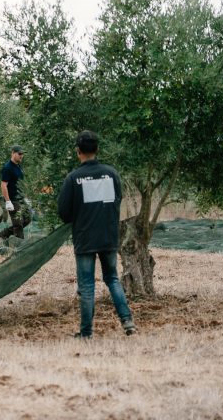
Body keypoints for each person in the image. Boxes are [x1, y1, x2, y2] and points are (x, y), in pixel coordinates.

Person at [57, 130, 136, 339]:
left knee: (87, 284)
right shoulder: (111, 174)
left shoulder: (73, 178)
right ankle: (127, 320)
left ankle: (86, 333)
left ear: (78, 151)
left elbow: (64, 213)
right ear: (97, 150)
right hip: (109, 236)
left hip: (85, 239)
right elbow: (117, 200)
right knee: (112, 279)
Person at [0, 144, 29, 240]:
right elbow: (3, 185)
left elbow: (20, 183)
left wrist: (26, 198)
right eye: (19, 153)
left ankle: (5, 233)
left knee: (28, 219)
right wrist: (7, 201)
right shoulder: (7, 168)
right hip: (13, 200)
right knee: (18, 225)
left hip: (21, 199)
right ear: (13, 153)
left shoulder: (18, 167)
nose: (21, 156)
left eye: (22, 154)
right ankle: (20, 248)